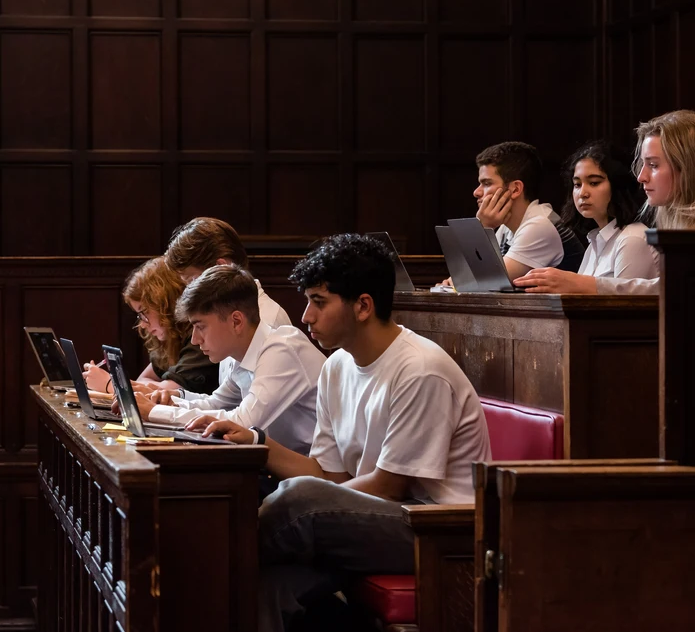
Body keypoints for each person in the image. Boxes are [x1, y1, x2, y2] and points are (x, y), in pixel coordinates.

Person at [201, 234, 491, 632]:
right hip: (375, 517)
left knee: (296, 499)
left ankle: (205, 559)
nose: (305, 316)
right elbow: (330, 476)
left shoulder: (420, 369)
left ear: (363, 306)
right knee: (269, 584)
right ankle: (217, 559)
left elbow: (390, 486)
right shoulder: (337, 366)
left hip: (438, 532)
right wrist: (255, 443)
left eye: (318, 302)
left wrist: (306, 497)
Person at [514, 110, 695, 294]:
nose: (642, 177)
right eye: (642, 165)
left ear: (689, 166)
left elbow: (688, 290)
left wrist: (587, 285)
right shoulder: (673, 212)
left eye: (653, 165)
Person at [132, 264, 323, 457]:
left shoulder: (281, 348)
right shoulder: (239, 353)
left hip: (318, 473)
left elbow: (241, 422)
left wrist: (156, 413)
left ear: (236, 321)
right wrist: (172, 400)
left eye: (201, 327)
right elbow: (216, 403)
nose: (195, 340)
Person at [507, 141, 658, 293]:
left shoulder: (632, 238)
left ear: (618, 185)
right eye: (577, 185)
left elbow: (625, 310)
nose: (583, 193)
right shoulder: (595, 240)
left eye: (594, 183)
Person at [442, 141, 584, 286]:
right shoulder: (505, 228)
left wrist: (481, 226)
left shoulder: (539, 226)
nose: (476, 192)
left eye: (487, 183)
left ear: (515, 189)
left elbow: (486, 282)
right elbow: (464, 279)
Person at [82, 256, 219, 396]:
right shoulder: (172, 339)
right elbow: (144, 379)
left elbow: (168, 392)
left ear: (166, 305)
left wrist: (111, 384)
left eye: (144, 312)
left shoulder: (199, 337)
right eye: (139, 315)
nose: (142, 324)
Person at [164, 217, 291, 327]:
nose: (188, 291)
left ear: (221, 268)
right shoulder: (224, 316)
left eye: (192, 281)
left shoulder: (265, 321)